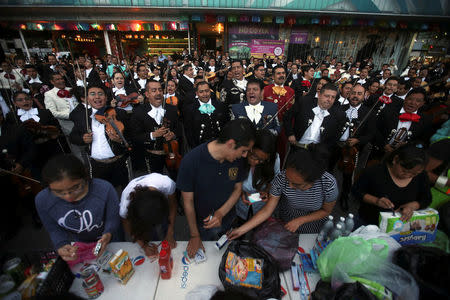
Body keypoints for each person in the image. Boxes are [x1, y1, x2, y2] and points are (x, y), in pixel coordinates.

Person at [177, 119, 256, 257]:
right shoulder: (191, 161)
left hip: (230, 220)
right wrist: (195, 235)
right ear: (231, 144)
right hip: (204, 226)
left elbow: (237, 189)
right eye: (244, 151)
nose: (245, 156)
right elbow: (187, 201)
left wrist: (220, 213)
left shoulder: (238, 160)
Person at [229, 146, 338, 239]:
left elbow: (326, 210)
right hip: (285, 224)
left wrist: (300, 220)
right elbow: (267, 210)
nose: (289, 186)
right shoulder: (281, 178)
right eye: (288, 179)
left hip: (312, 230)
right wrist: (241, 230)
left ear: (313, 181)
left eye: (296, 185)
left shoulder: (328, 183)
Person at [35, 154, 120, 262]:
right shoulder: (43, 200)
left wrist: (108, 232)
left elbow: (112, 217)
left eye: (75, 188)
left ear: (85, 177)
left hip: (112, 239)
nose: (69, 196)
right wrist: (61, 244)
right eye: (59, 192)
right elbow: (53, 229)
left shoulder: (104, 189)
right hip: (80, 245)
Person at [352, 145, 431, 225]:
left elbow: (426, 198)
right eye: (404, 171)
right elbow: (357, 191)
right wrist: (376, 201)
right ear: (395, 159)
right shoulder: (375, 171)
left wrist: (413, 206)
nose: (408, 175)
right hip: (369, 222)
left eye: (414, 174)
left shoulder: (421, 176)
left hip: (402, 227)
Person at [120, 173, 177, 258]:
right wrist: (143, 245)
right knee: (149, 236)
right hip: (141, 214)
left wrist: (170, 231)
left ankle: (167, 235)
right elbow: (127, 225)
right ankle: (152, 241)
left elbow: (173, 206)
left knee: (168, 227)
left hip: (158, 208)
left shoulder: (166, 183)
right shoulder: (125, 205)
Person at [235, 129, 280, 221]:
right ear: (250, 148)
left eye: (262, 160)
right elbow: (231, 180)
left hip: (261, 206)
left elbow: (275, 179)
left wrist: (267, 191)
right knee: (240, 222)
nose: (256, 162)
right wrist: (239, 192)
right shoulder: (238, 156)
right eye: (254, 157)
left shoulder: (274, 160)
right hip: (240, 204)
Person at [183, 81, 228, 148]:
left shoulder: (220, 105)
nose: (205, 94)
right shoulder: (190, 109)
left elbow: (226, 126)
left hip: (220, 146)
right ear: (197, 93)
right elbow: (189, 133)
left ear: (210, 91)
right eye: (201, 92)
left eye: (207, 91)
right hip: (201, 147)